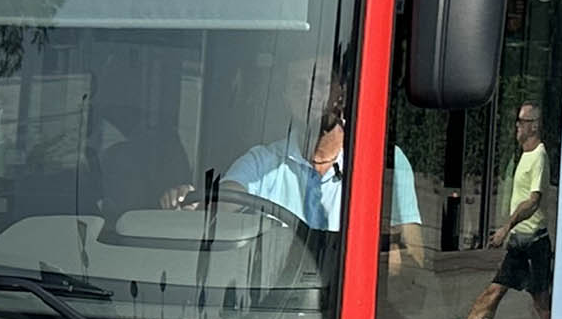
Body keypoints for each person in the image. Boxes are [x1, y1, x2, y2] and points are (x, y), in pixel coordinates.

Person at [160, 50, 422, 247]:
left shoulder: (385, 162)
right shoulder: (262, 163)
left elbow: (414, 256)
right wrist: (194, 204)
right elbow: (223, 201)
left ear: (340, 91)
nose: (309, 95)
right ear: (286, 98)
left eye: (319, 82)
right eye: (298, 86)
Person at [420, 103, 551, 319]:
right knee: (491, 295)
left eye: (522, 121)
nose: (517, 126)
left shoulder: (539, 156)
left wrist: (507, 226)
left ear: (534, 126)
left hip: (534, 243)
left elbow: (533, 201)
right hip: (521, 244)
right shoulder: (524, 156)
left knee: (542, 305)